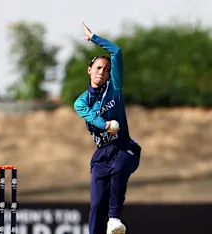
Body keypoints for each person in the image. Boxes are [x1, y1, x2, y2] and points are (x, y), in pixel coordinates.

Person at [74, 22, 142, 234]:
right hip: (101, 155)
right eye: (98, 68)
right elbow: (92, 117)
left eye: (106, 69)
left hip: (124, 147)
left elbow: (117, 51)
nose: (102, 72)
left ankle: (114, 218)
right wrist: (105, 125)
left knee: (120, 168)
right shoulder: (81, 102)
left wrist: (94, 38)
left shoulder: (115, 87)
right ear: (89, 70)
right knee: (95, 204)